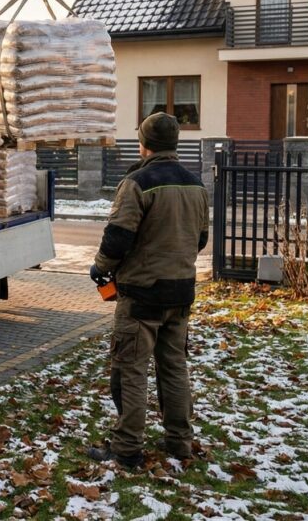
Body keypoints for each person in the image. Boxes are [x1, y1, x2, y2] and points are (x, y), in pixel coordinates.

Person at [87, 112, 210, 468]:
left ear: (144, 144)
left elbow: (118, 237)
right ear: (174, 144)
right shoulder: (195, 184)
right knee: (174, 367)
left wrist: (101, 268)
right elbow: (200, 239)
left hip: (141, 296)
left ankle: (126, 449)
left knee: (131, 369)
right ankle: (179, 442)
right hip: (181, 293)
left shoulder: (138, 182)